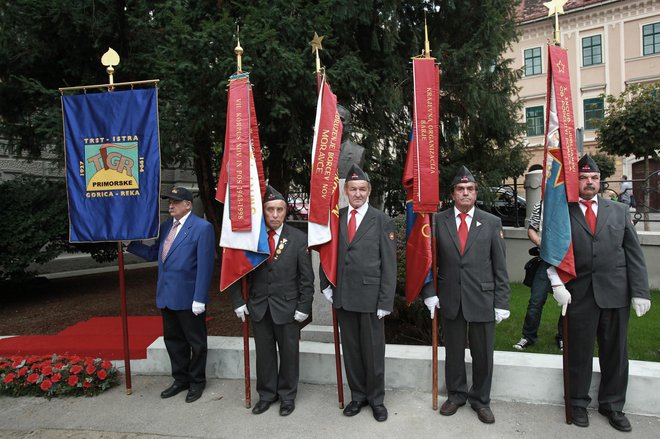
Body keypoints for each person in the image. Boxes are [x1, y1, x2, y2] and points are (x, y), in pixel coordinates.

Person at [549, 155, 651, 432]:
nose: (589, 182)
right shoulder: (563, 211)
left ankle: (613, 406)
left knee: (615, 353)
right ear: (576, 181)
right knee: (577, 352)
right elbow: (554, 251)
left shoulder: (617, 211)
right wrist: (556, 283)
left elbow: (634, 253)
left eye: (593, 177)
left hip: (616, 292)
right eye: (583, 177)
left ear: (600, 181)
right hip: (579, 293)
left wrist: (640, 292)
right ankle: (577, 403)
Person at [421, 166, 510, 424]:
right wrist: (429, 293)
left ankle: (481, 400)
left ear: (476, 193)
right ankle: (457, 394)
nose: (465, 193)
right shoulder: (438, 221)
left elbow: (500, 266)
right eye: (460, 189)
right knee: (455, 352)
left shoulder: (492, 222)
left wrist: (502, 302)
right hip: (450, 297)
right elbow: (429, 262)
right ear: (452, 194)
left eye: (470, 189)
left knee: (483, 354)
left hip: (483, 297)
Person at [320, 163, 396, 422]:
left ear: (369, 190)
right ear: (346, 191)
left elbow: (389, 263)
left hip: (371, 297)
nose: (358, 194)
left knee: (373, 352)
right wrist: (326, 283)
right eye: (353, 189)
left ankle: (376, 400)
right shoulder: (337, 217)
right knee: (351, 350)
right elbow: (326, 253)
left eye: (362, 189)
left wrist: (386, 300)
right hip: (344, 296)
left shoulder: (381, 219)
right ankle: (358, 396)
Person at [229, 186, 314, 416]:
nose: (275, 215)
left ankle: (287, 396)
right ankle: (266, 395)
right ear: (263, 212)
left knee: (289, 354)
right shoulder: (252, 238)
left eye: (279, 210)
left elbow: (307, 278)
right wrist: (238, 301)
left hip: (288, 308)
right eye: (270, 210)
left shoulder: (298, 239)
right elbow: (236, 272)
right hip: (259, 307)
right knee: (264, 355)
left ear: (286, 212)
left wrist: (304, 307)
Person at [126, 186, 215, 403]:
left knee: (196, 343)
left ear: (188, 205)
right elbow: (153, 254)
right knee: (174, 341)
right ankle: (180, 379)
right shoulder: (167, 226)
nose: (171, 205)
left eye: (175, 201)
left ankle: (197, 382)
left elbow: (205, 266)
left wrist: (200, 298)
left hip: (188, 298)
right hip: (167, 296)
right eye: (169, 201)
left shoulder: (202, 228)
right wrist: (131, 244)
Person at [513, 200, 563, 351]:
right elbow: (532, 229)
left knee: (568, 303)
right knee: (536, 301)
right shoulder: (541, 204)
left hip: (567, 262)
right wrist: (540, 242)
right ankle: (528, 336)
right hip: (546, 260)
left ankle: (563, 337)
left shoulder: (573, 202)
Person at [336, 105, 366, 178]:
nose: (336, 123)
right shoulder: (319, 150)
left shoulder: (358, 152)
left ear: (350, 126)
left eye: (341, 120)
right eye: (333, 119)